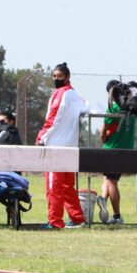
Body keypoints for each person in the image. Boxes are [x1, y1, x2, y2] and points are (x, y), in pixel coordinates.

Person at [36, 63, 88, 230]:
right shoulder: (75, 95)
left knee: (54, 186)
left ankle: (55, 221)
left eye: (59, 76)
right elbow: (88, 108)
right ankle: (78, 218)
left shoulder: (60, 93)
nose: (56, 79)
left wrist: (41, 136)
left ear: (67, 77)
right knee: (67, 186)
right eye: (54, 76)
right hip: (70, 147)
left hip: (55, 147)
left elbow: (53, 118)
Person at [96, 80, 136, 225]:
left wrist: (103, 140)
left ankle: (117, 216)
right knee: (108, 179)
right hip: (126, 148)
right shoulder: (131, 107)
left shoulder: (112, 108)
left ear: (110, 93)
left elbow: (103, 131)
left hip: (111, 148)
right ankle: (102, 200)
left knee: (111, 181)